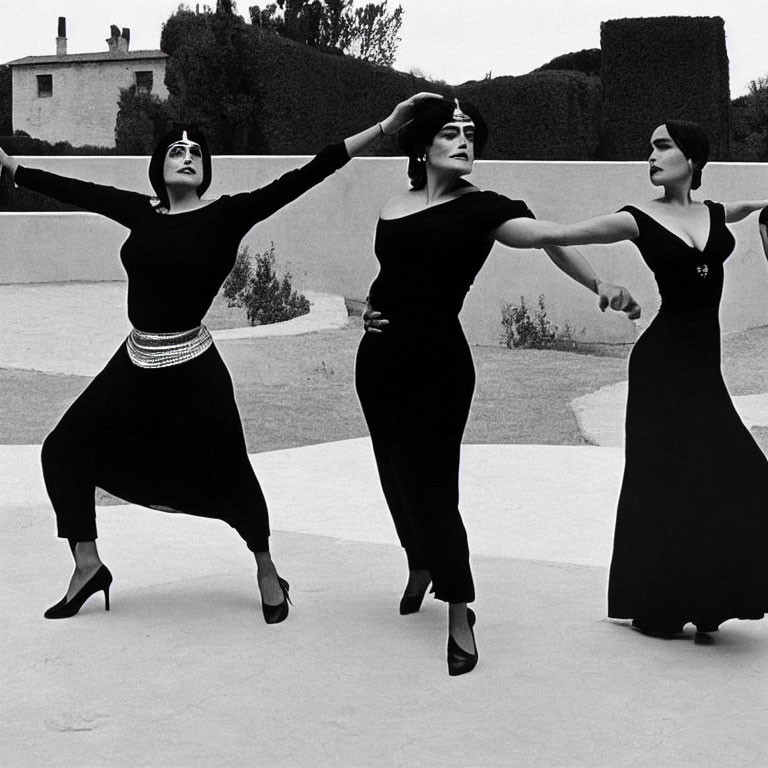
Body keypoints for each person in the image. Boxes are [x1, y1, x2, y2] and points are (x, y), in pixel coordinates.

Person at [0, 92, 441, 623]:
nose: (187, 155)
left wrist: (386, 127)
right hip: (136, 360)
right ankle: (87, 565)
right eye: (175, 150)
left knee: (231, 471)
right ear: (158, 167)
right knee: (62, 450)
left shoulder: (228, 216)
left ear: (205, 169)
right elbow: (80, 191)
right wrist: (13, 167)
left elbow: (309, 172)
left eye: (196, 152)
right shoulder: (141, 213)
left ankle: (264, 566)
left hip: (194, 368)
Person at [356, 96, 640, 676]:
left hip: (440, 366)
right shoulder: (393, 204)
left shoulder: (484, 209)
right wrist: (370, 308)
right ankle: (419, 563)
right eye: (450, 132)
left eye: (470, 133)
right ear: (422, 145)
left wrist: (599, 282)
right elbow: (395, 271)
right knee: (392, 472)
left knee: (433, 485)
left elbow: (547, 238)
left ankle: (459, 607)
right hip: (379, 360)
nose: (464, 141)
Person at [490, 119, 768, 638]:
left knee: (732, 475)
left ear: (693, 159)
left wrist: (757, 205)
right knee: (661, 481)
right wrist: (508, 223)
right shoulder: (636, 219)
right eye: (650, 148)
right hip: (661, 367)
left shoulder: (712, 213)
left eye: (663, 146)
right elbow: (557, 235)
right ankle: (658, 605)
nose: (652, 155)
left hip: (704, 369)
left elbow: (738, 211)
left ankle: (705, 598)